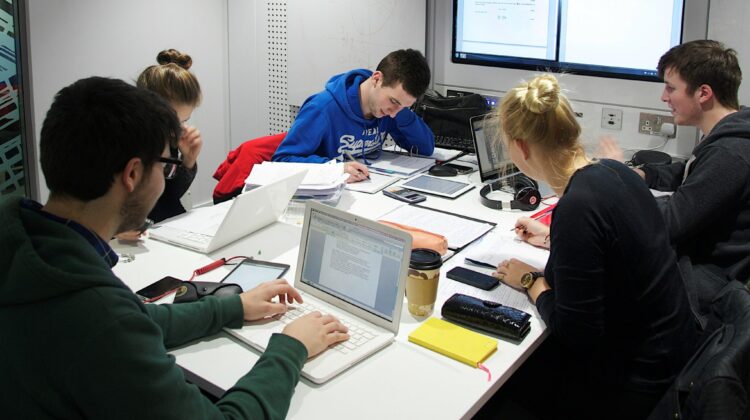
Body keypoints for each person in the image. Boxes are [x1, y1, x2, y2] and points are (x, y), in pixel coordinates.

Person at [0, 77, 349, 418]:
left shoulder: (28, 249)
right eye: (167, 165)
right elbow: (119, 324)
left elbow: (138, 318)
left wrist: (233, 308)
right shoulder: (100, 316)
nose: (168, 176)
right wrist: (290, 349)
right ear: (133, 174)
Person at [485, 74, 698, 419]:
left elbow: (577, 334)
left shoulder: (577, 208)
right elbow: (614, 250)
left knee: (502, 392)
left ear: (521, 146)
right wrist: (554, 238)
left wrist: (532, 282)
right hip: (674, 357)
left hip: (636, 384)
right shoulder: (615, 172)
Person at [598, 40, 750, 288]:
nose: (663, 97)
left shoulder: (730, 153)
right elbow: (690, 173)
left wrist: (619, 179)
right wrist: (641, 174)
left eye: (671, 88)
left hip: (701, 291)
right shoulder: (726, 135)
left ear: (703, 93)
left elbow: (670, 222)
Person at [272, 48, 435, 182]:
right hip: (326, 198)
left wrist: (403, 111)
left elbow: (425, 148)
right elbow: (281, 161)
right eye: (393, 101)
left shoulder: (390, 110)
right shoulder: (322, 108)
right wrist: (335, 169)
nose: (393, 114)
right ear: (377, 79)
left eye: (404, 106)